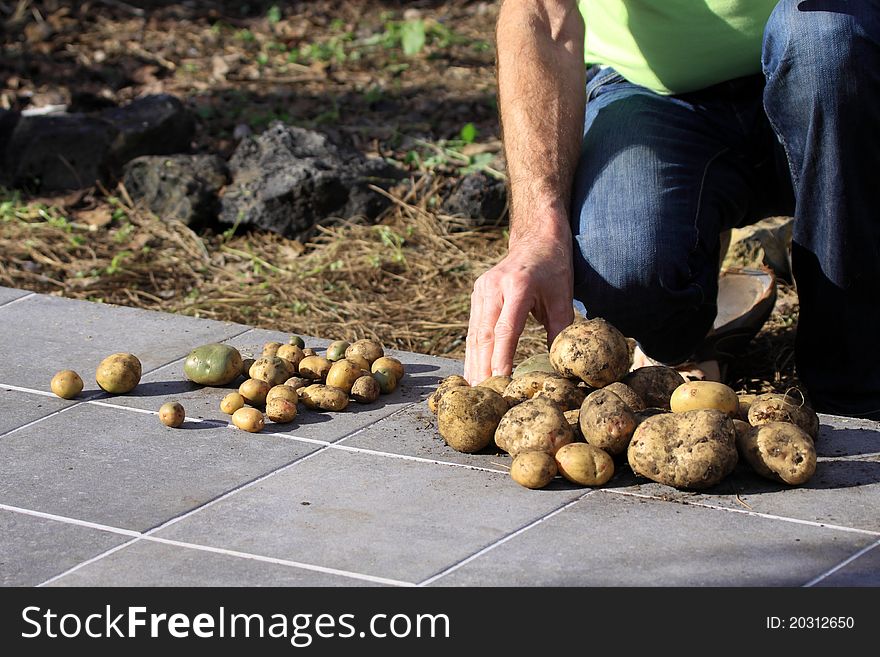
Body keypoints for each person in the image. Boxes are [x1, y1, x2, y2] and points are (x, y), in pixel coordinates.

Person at [463, 0, 880, 420]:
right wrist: (538, 231)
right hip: (653, 91)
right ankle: (694, 315)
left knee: (828, 42)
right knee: (622, 268)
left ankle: (855, 384)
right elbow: (541, 15)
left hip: (838, 77)